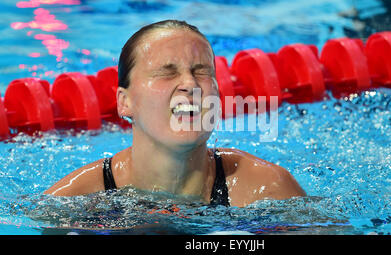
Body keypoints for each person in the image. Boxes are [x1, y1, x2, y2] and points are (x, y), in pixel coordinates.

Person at [44, 20, 306, 207]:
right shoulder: (73, 202)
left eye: (202, 71)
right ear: (125, 103)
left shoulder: (266, 190)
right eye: (167, 71)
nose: (190, 84)